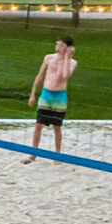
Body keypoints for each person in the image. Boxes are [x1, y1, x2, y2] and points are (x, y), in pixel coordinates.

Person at [23, 35, 77, 163]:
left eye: (61, 45)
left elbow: (64, 76)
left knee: (57, 127)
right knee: (38, 125)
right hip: (46, 94)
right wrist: (32, 94)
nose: (58, 47)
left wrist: (66, 58)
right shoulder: (48, 58)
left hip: (60, 96)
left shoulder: (72, 62)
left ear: (68, 48)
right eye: (57, 44)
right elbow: (39, 76)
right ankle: (33, 152)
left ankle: (57, 155)